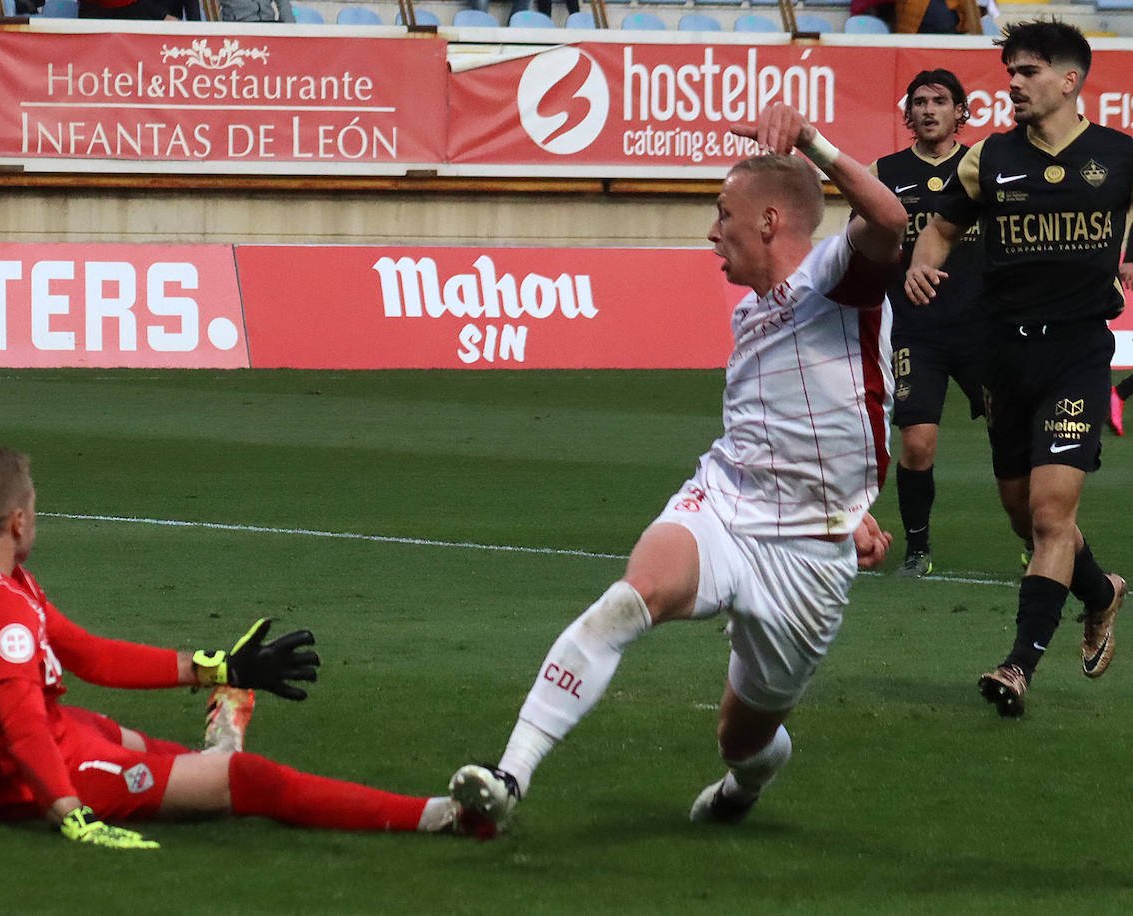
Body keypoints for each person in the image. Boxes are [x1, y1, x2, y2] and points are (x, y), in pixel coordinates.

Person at [449, 102, 903, 831]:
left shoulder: (833, 279)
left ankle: (745, 788)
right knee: (634, 596)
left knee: (742, 741)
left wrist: (815, 141)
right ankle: (509, 776)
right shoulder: (751, 310)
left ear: (769, 222)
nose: (711, 229)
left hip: (809, 556)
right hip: (725, 501)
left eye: (724, 212)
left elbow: (889, 221)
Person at [0, 445, 491, 848]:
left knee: (164, 755)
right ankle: (445, 819)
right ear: (16, 522)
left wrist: (221, 667)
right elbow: (23, 728)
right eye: (34, 509)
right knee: (248, 780)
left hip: (48, 735)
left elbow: (90, 655)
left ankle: (221, 733)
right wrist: (71, 813)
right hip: (28, 773)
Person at [906, 20, 1127, 717]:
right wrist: (921, 269)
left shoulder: (1120, 158)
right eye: (1010, 72)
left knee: (1050, 512)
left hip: (1078, 353)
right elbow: (942, 228)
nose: (1013, 83)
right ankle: (1101, 592)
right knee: (1022, 518)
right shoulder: (990, 159)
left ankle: (1018, 664)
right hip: (1004, 352)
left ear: (1070, 80)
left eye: (1027, 71)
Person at [870, 69, 987, 578]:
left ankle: (1038, 539)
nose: (929, 109)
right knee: (917, 442)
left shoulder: (984, 166)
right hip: (915, 329)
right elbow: (863, 242)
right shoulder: (884, 171)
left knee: (1014, 435)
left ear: (961, 111)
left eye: (940, 101)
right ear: (908, 114)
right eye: (919, 101)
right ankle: (918, 550)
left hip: (984, 328)